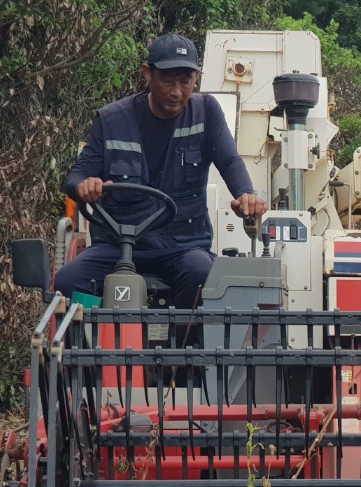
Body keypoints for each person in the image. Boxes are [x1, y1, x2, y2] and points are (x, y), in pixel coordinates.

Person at [54, 33, 268, 308]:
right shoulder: (111, 120)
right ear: (147, 74)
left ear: (196, 78)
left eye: (185, 81)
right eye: (167, 80)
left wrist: (245, 195)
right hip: (117, 247)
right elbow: (76, 177)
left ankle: (183, 347)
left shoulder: (207, 112)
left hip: (182, 246)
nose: (177, 91)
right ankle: (88, 348)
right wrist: (84, 186)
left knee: (203, 274)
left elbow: (229, 160)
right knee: (67, 281)